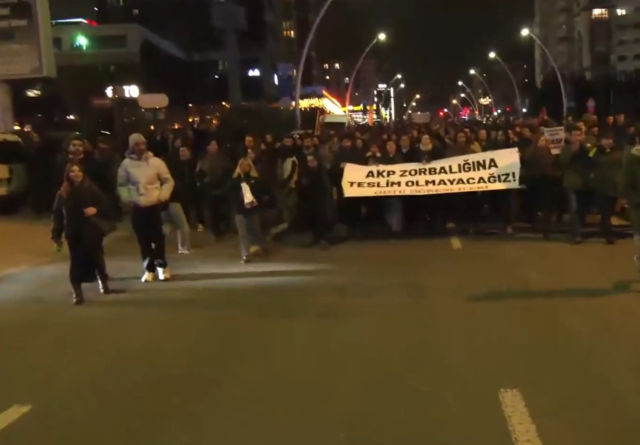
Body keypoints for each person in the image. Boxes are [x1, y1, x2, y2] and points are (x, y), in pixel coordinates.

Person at [52, 163, 114, 305]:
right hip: (73, 231)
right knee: (76, 262)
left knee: (96, 257)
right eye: (72, 171)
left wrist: (96, 209)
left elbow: (106, 204)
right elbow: (57, 215)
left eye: (79, 171)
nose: (76, 174)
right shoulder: (63, 193)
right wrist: (56, 234)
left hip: (90, 229)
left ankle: (103, 283)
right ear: (67, 174)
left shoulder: (90, 188)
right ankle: (77, 293)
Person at [117, 133, 175, 282]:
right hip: (138, 206)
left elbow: (168, 181)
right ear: (131, 146)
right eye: (137, 145)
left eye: (142, 144)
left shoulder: (156, 162)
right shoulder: (126, 165)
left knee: (159, 238)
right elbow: (122, 184)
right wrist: (127, 199)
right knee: (143, 240)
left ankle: (162, 266)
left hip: (155, 205)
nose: (140, 147)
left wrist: (163, 196)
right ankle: (149, 269)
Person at [231, 158, 269, 263]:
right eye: (242, 165)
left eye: (247, 165)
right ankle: (245, 254)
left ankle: (261, 247)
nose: (244, 167)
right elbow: (231, 195)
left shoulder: (255, 180)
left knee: (256, 231)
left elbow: (261, 193)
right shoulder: (235, 180)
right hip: (240, 211)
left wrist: (256, 200)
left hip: (253, 210)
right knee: (243, 234)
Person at [591, 131, 623, 244]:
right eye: (607, 139)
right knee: (605, 211)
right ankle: (608, 234)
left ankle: (603, 228)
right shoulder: (595, 150)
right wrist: (600, 148)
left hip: (614, 186)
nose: (609, 141)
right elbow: (591, 158)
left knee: (610, 210)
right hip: (601, 186)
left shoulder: (618, 151)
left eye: (611, 139)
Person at [197, 138, 233, 239]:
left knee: (224, 210)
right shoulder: (203, 160)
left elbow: (228, 172)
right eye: (212, 145)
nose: (214, 147)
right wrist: (203, 183)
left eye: (215, 145)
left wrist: (226, 185)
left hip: (222, 188)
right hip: (210, 190)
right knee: (213, 212)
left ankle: (224, 228)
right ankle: (215, 230)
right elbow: (200, 174)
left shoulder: (223, 158)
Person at [164, 145, 194, 254]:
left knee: (169, 224)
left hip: (172, 200)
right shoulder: (176, 169)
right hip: (174, 200)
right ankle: (183, 247)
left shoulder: (180, 167)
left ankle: (156, 242)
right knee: (182, 225)